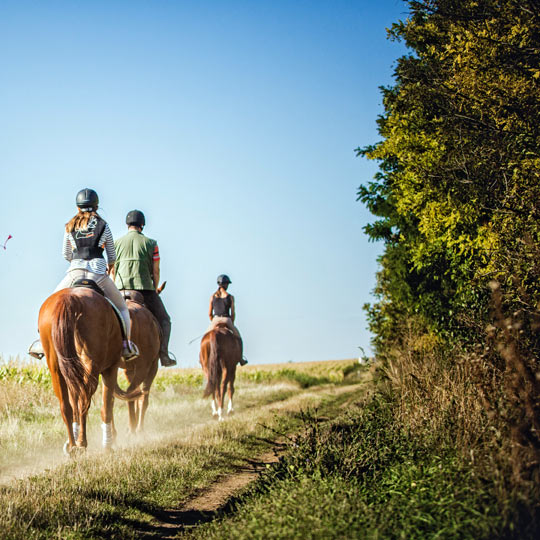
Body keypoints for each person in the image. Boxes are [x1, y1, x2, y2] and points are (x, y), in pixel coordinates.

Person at [29, 188, 138, 360]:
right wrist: (109, 266)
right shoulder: (104, 226)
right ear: (96, 206)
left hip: (74, 273)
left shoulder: (69, 226)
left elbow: (66, 254)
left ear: (78, 206)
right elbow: (112, 255)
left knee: (48, 305)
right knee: (123, 308)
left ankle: (41, 342)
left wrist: (77, 260)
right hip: (98, 275)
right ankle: (126, 345)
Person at [111, 210, 176, 367]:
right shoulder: (152, 243)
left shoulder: (116, 243)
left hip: (119, 290)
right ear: (142, 225)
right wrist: (154, 288)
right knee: (165, 320)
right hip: (144, 289)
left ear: (128, 225)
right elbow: (156, 270)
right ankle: (164, 355)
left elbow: (112, 270)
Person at [207, 274, 247, 365]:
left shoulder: (212, 297)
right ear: (225, 284)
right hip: (226, 320)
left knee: (205, 337)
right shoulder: (230, 297)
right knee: (239, 338)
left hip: (215, 320)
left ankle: (203, 357)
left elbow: (209, 314)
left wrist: (214, 322)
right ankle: (241, 359)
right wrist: (230, 324)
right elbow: (233, 314)